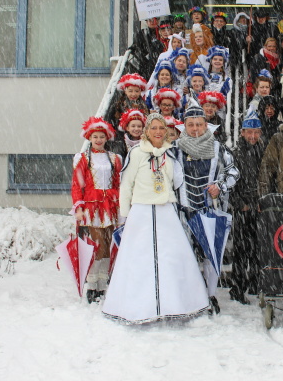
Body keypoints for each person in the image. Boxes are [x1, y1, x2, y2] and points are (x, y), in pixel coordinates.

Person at [102, 113, 209, 324]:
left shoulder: (171, 153)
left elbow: (177, 181)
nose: (158, 132)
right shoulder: (136, 153)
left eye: (161, 128)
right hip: (142, 211)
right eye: (154, 128)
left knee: (171, 259)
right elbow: (126, 185)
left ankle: (175, 304)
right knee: (139, 260)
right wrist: (125, 214)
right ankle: (138, 307)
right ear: (146, 131)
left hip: (166, 211)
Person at [171, 101, 239, 314]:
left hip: (208, 210)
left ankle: (210, 296)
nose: (195, 129)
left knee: (210, 255)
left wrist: (220, 186)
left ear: (205, 125)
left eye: (199, 124)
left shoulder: (218, 148)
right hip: (183, 211)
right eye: (190, 125)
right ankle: (191, 297)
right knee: (186, 255)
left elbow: (234, 172)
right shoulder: (174, 149)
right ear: (184, 126)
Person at [71, 117, 122, 304]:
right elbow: (77, 185)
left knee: (107, 244)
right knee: (96, 244)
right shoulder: (83, 158)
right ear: (89, 138)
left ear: (107, 138)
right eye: (95, 137)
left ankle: (102, 283)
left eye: (102, 136)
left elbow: (118, 182)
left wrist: (120, 203)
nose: (99, 140)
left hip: (110, 205)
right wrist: (79, 207)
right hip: (92, 206)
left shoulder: (114, 158)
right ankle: (92, 284)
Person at [229, 111, 266, 305]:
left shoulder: (264, 150)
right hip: (243, 207)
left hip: (259, 207)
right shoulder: (235, 153)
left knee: (258, 248)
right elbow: (230, 182)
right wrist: (239, 203)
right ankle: (238, 287)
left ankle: (255, 282)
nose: (252, 136)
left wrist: (262, 201)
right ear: (242, 132)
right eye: (249, 132)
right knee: (241, 250)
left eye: (256, 132)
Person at [129, 17, 164, 81]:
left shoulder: (162, 31)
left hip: (160, 62)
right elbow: (137, 45)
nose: (152, 22)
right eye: (150, 20)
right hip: (146, 64)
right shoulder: (142, 33)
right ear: (147, 22)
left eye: (154, 20)